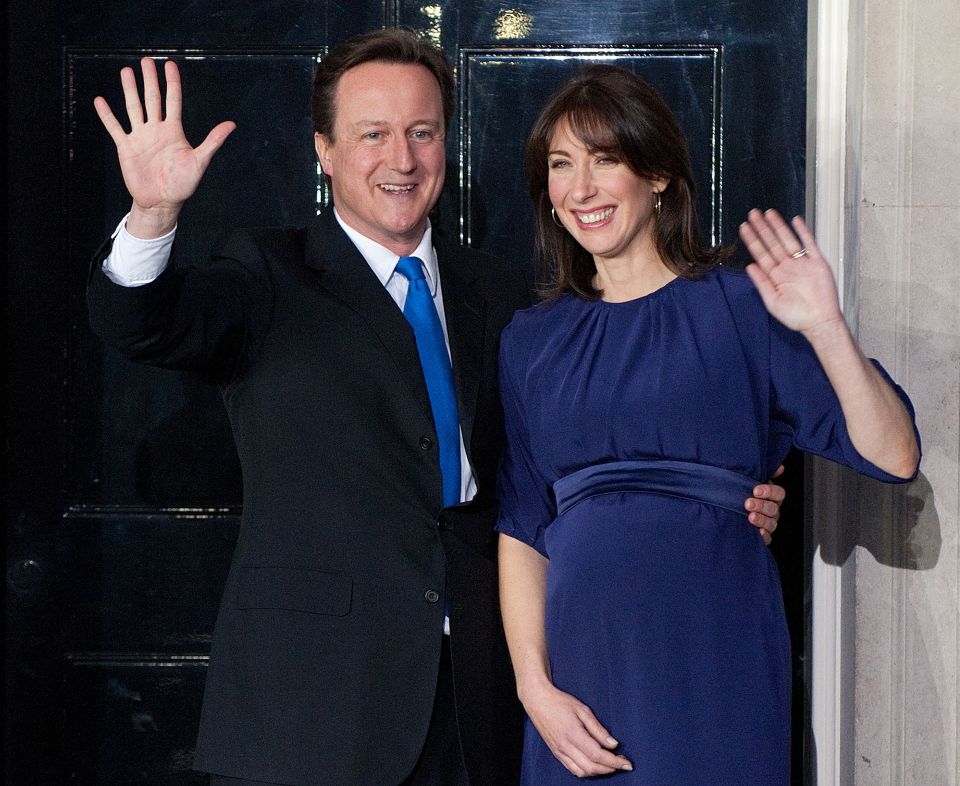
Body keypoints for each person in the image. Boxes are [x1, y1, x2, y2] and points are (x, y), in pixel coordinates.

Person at [86, 30, 785, 786]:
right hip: (312, 710)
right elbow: (143, 323)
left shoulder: (503, 294)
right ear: (324, 150)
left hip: (479, 698)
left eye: (422, 133)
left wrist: (734, 492)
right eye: (373, 135)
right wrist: (152, 215)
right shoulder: (267, 274)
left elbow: (561, 464)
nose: (402, 159)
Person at [496, 65, 920, 785]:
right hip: (582, 678)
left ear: (657, 172)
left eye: (605, 160)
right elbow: (522, 524)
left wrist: (826, 329)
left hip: (716, 662)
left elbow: (895, 455)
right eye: (561, 166)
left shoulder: (744, 307)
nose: (581, 189)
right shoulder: (531, 339)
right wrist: (535, 691)